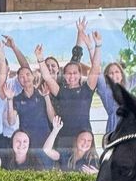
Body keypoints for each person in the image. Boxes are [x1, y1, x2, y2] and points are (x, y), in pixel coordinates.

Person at [36, 22, 102, 151]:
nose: (72, 76)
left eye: (75, 73)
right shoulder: (60, 91)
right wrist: (40, 59)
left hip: (85, 138)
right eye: (68, 73)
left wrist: (97, 45)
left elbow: (95, 68)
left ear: (80, 74)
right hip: (64, 140)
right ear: (64, 75)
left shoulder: (87, 89)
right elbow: (47, 77)